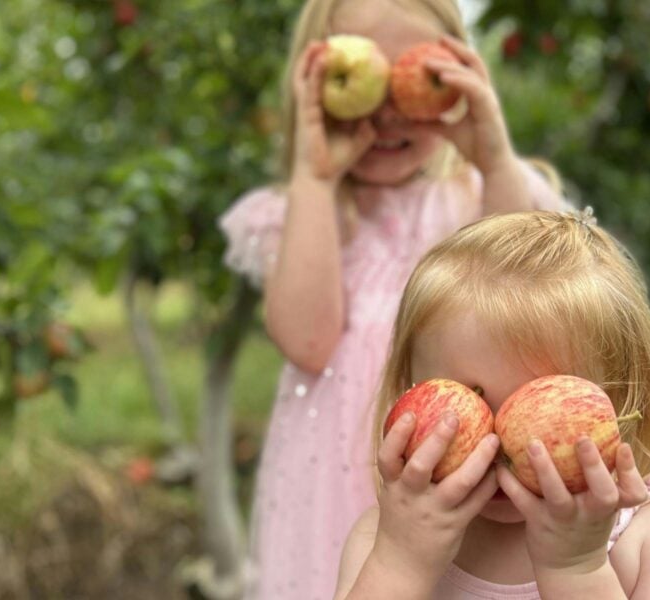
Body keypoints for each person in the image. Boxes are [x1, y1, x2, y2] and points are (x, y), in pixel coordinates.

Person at [219, 0, 569, 597]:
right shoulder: (303, 213)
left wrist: (492, 155)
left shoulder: (479, 198)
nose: (385, 112)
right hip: (329, 481)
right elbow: (308, 341)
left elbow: (530, 301)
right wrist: (314, 176)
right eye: (364, 81)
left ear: (459, 77)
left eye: (412, 79)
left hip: (458, 478)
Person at [334, 210, 650, 599]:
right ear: (408, 390)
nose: (499, 446)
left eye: (539, 410)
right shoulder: (386, 538)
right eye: (470, 400)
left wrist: (576, 568)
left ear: (620, 403)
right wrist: (401, 564)